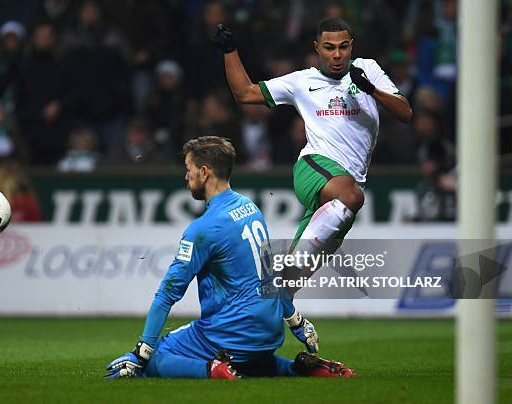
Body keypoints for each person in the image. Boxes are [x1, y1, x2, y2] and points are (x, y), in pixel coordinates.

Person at [105, 136, 353, 379]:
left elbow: (168, 292)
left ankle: (213, 370)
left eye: (188, 169)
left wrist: (141, 352)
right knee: (248, 360)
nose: (186, 176)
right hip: (269, 332)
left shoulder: (203, 229)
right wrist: (295, 321)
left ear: (204, 172)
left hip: (232, 334)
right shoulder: (251, 209)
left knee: (155, 357)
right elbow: (270, 276)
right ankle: (295, 368)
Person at [211, 17, 412, 269]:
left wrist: (371, 89)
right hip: (315, 167)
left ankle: (275, 296)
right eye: (329, 47)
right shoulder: (301, 82)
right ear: (317, 48)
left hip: (347, 188)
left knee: (293, 279)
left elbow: (405, 113)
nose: (337, 54)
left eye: (343, 47)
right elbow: (245, 93)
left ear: (352, 46)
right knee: (351, 196)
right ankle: (290, 263)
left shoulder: (367, 69)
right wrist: (230, 52)